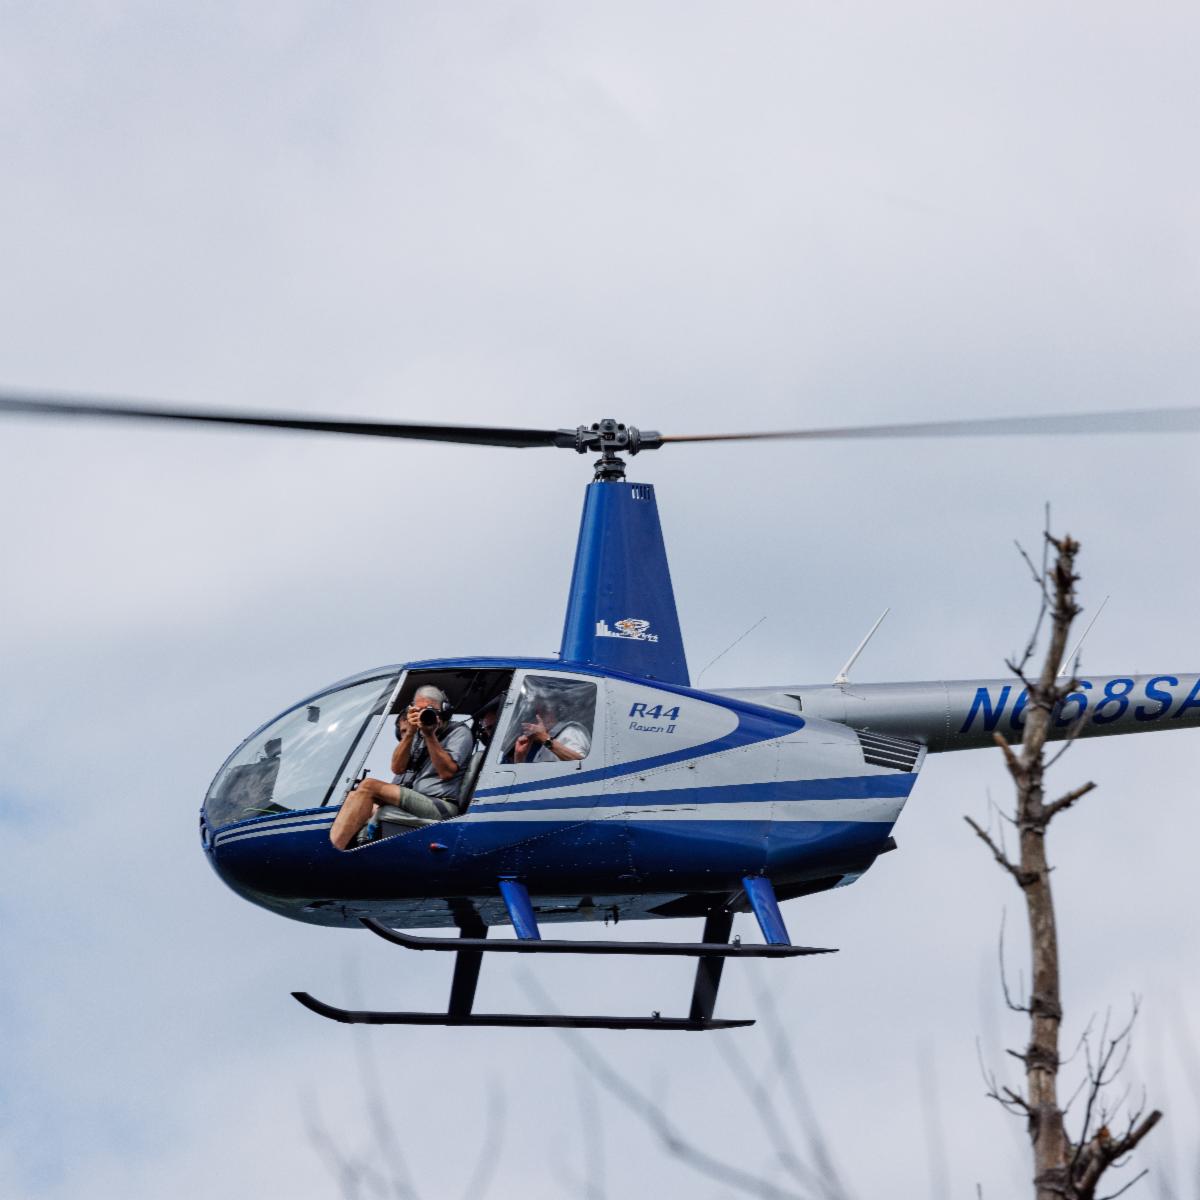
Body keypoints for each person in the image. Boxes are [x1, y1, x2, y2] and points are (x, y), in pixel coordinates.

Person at [329, 685, 474, 849]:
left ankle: (332, 852)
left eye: (430, 710)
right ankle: (347, 849)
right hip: (416, 799)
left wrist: (430, 735)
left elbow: (446, 772)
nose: (424, 715)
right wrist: (411, 733)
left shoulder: (459, 732)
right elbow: (397, 769)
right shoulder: (417, 734)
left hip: (440, 805)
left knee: (369, 785)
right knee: (355, 797)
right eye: (418, 711)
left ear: (445, 710)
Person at [510, 695, 591, 763]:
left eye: (536, 712)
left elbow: (581, 764)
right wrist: (520, 756)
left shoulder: (571, 731)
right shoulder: (548, 741)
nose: (532, 718)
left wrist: (545, 739)